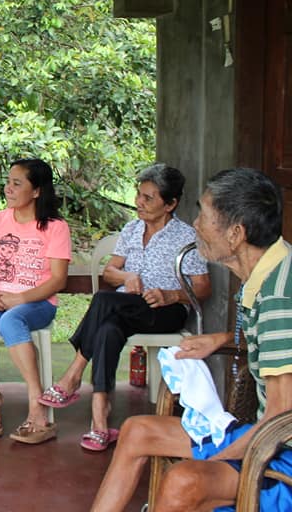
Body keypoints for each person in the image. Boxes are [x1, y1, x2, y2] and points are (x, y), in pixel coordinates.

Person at [91, 168, 292, 511]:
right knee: (137, 431)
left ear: (236, 234)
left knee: (185, 481)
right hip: (264, 435)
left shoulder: (276, 298)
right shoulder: (273, 267)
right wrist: (226, 338)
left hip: (279, 457)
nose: (195, 224)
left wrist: (220, 461)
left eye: (204, 215)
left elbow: (282, 415)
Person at [37, 164, 211, 451]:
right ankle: (100, 421)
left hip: (165, 311)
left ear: (170, 204)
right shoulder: (132, 229)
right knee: (107, 329)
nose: (139, 202)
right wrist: (127, 276)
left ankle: (73, 374)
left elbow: (203, 288)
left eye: (148, 198)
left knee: (105, 301)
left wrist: (169, 295)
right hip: (126, 307)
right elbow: (110, 272)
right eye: (138, 195)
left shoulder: (186, 236)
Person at [0, 158, 72, 444]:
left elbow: (58, 279)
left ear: (36, 191)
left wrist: (19, 298)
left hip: (37, 301)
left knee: (12, 319)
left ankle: (37, 406)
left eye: (17, 183)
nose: (8, 188)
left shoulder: (55, 227)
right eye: (8, 182)